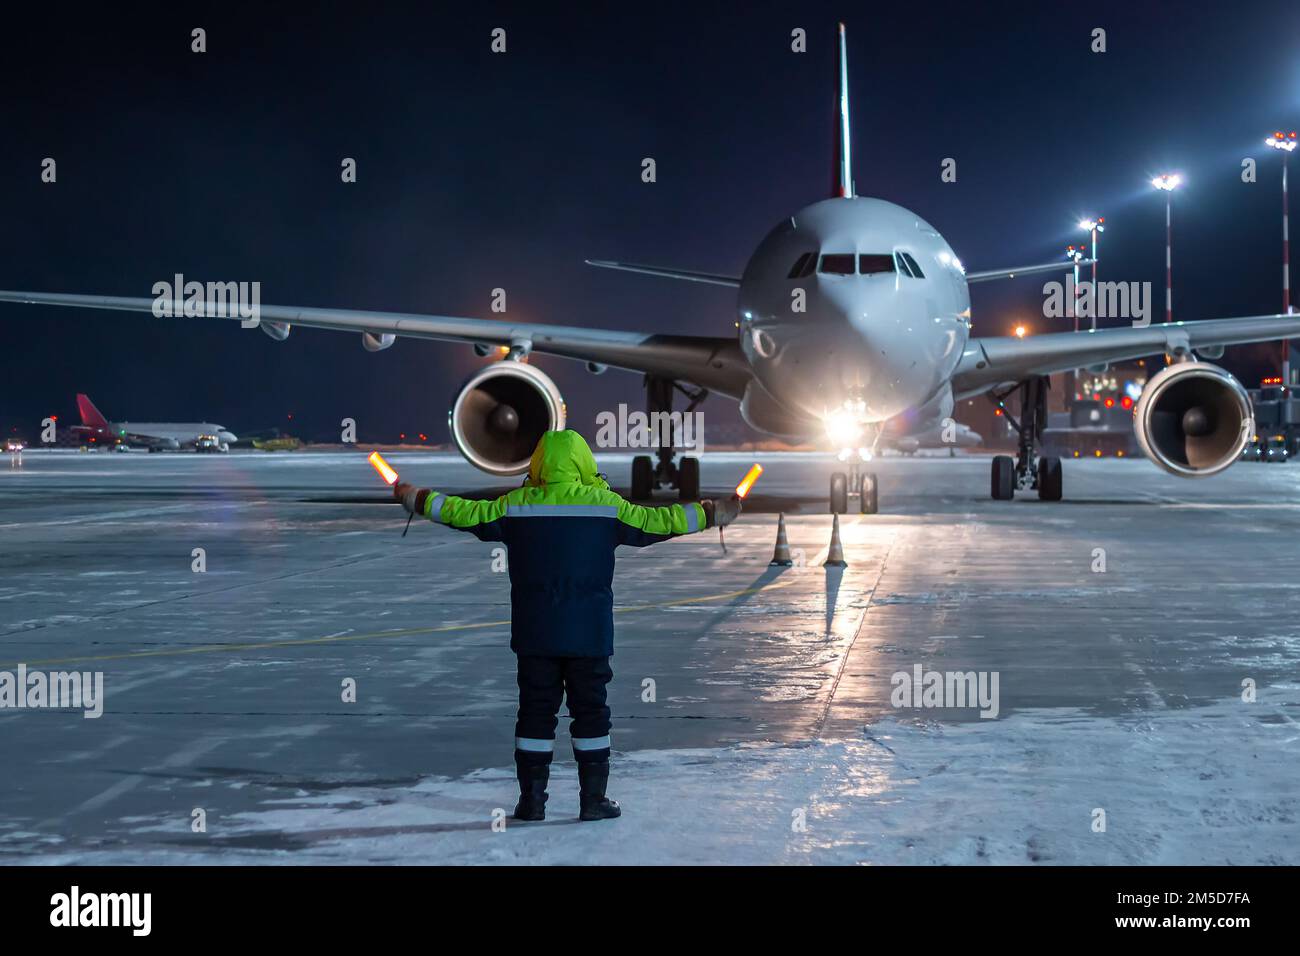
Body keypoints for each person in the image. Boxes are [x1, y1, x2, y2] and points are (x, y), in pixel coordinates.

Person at [394, 429, 740, 822]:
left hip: (535, 634)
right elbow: (661, 521)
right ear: (584, 463)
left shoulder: (515, 506)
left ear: (539, 463)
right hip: (589, 636)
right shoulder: (607, 507)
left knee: (535, 713)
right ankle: (593, 801)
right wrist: (712, 512)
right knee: (591, 713)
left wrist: (416, 497)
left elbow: (461, 512)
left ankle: (532, 801)